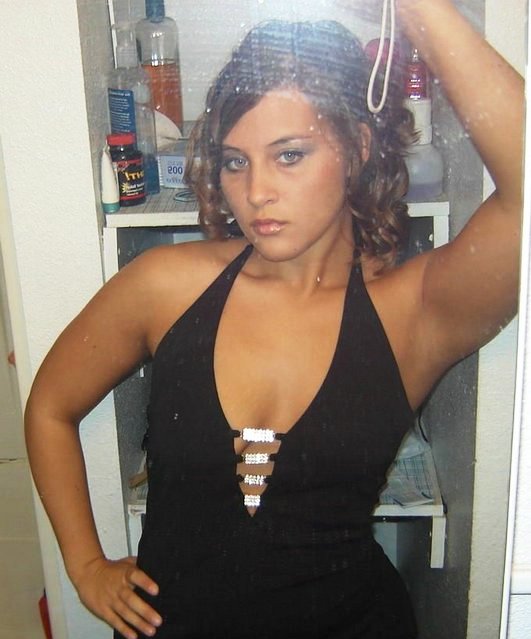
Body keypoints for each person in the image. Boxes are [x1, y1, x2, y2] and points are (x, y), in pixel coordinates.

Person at [24, 0, 523, 638]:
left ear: (357, 148)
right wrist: (86, 565)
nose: (256, 191)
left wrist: (417, 6)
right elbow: (50, 407)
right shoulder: (166, 287)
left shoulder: (413, 313)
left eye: (289, 155)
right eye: (236, 161)